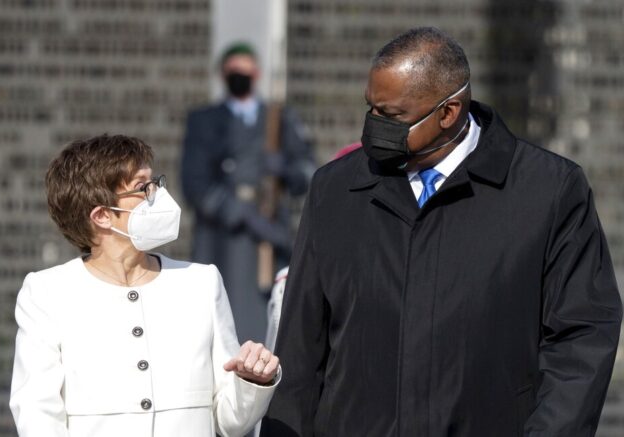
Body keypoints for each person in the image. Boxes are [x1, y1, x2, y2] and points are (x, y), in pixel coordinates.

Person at [261, 27, 622, 436]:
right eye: (371, 109)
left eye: (392, 116)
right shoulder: (335, 190)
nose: (374, 126)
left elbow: (581, 340)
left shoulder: (548, 191)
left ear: (448, 113)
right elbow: (300, 346)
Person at [9, 134, 280, 437]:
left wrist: (252, 382)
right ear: (101, 216)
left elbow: (229, 423)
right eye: (142, 188)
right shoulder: (48, 293)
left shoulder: (201, 282)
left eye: (155, 183)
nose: (157, 194)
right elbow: (37, 413)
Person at [181, 42, 314, 343]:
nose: (240, 76)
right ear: (222, 75)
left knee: (270, 322)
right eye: (233, 71)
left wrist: (284, 169)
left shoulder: (280, 120)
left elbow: (307, 173)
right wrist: (239, 213)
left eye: (246, 70)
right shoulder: (203, 120)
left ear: (257, 74)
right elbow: (195, 184)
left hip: (269, 236)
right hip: (222, 238)